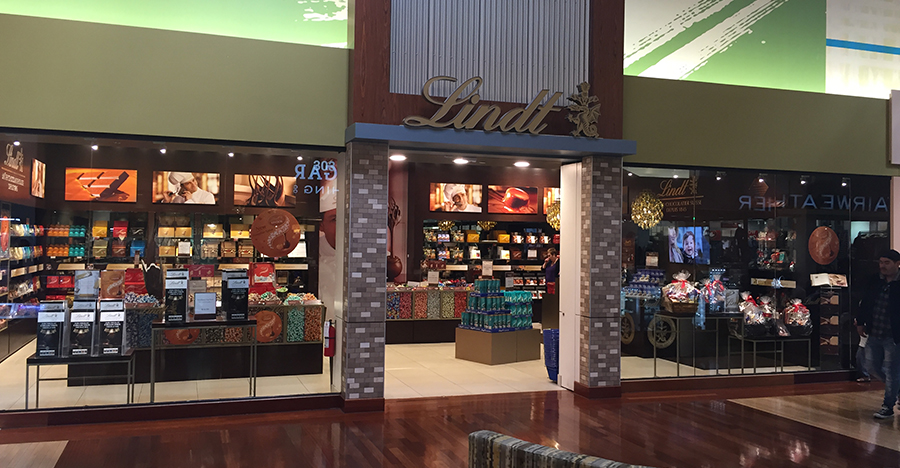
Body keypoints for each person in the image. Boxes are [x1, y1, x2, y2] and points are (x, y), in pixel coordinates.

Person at [857, 249, 900, 419]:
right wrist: (860, 321)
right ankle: (897, 388)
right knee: (871, 366)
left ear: (897, 264)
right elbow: (866, 301)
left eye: (887, 263)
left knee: (891, 370)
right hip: (875, 331)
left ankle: (888, 406)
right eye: (881, 262)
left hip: (893, 335)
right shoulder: (876, 280)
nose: (882, 266)